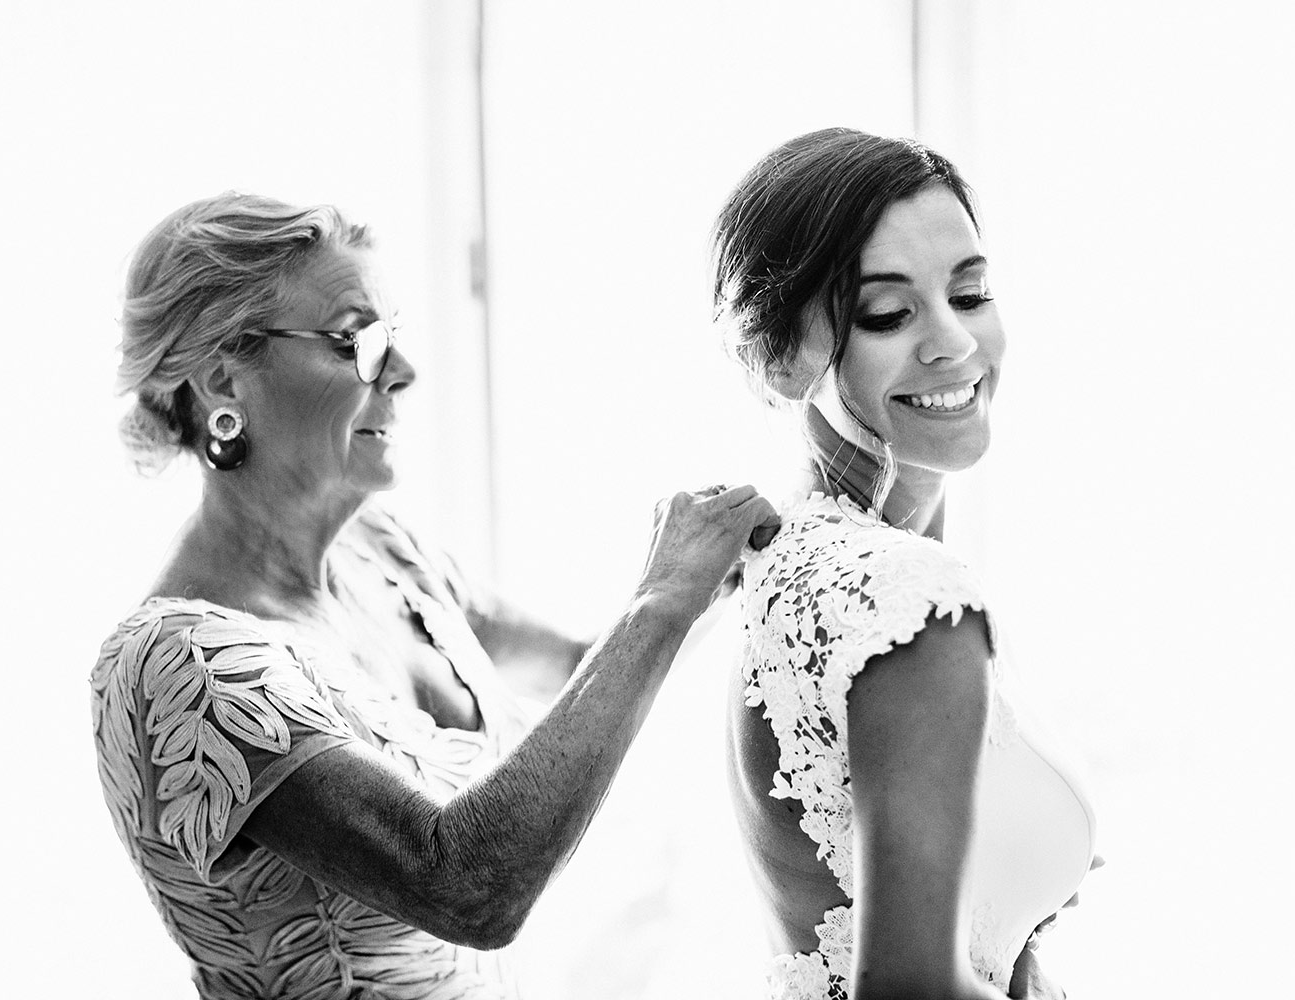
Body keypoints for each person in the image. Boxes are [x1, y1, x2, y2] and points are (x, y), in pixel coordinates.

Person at [89, 192, 778, 999]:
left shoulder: (383, 552)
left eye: (393, 336)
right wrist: (659, 600)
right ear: (220, 379)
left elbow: (576, 672)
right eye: (357, 341)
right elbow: (466, 887)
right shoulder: (182, 664)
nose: (404, 372)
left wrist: (722, 571)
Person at [714, 129, 1098, 1000]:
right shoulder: (907, 600)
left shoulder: (791, 562)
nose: (954, 343)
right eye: (888, 314)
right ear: (780, 357)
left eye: (970, 293)